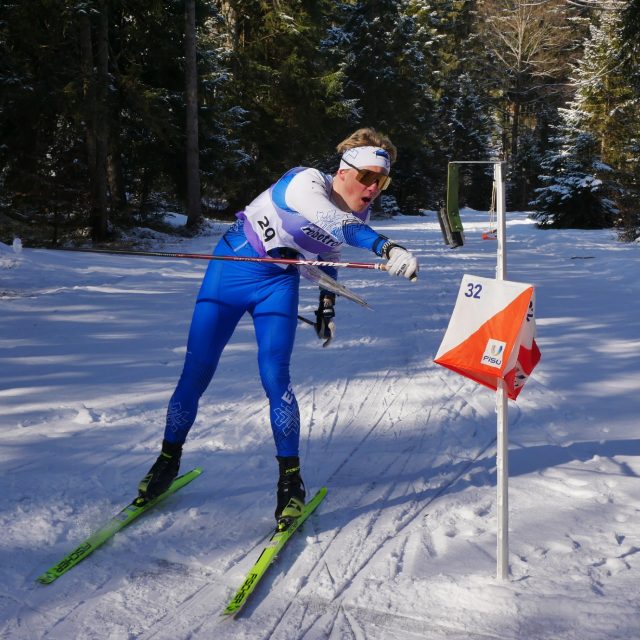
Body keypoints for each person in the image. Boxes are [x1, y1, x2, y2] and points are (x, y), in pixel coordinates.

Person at [137, 127, 419, 530]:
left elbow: (329, 254)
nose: (373, 188)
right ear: (343, 171)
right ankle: (167, 460)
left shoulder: (359, 214)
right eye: (367, 177)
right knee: (196, 371)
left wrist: (326, 304)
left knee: (276, 378)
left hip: (277, 283)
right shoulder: (305, 182)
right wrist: (387, 248)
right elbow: (335, 225)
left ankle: (290, 480)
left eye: (382, 181)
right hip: (232, 268)